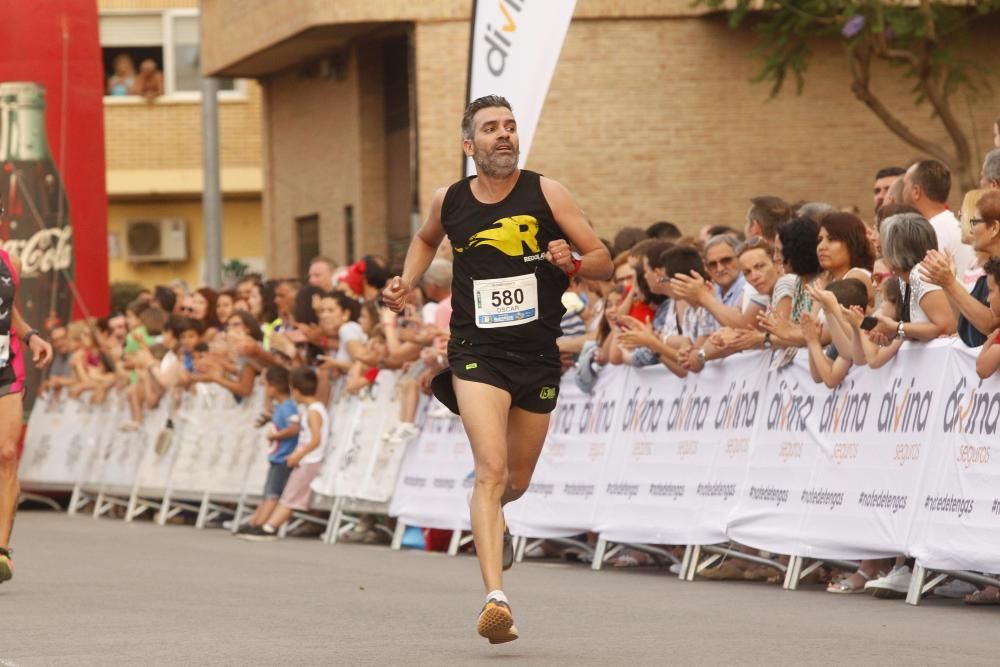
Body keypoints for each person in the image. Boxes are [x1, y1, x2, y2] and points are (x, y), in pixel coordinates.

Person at [382, 94, 612, 644]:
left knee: (515, 480)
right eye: (491, 128)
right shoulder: (451, 200)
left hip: (537, 356)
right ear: (470, 145)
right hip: (476, 351)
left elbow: (602, 259)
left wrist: (574, 263)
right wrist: (408, 279)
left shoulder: (547, 192)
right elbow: (424, 238)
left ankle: (498, 517)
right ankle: (496, 599)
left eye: (509, 126)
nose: (503, 135)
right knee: (489, 469)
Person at [0, 250, 54, 584]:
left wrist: (30, 335)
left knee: (7, 453)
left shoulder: (9, 261)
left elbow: (9, 310)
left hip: (5, 367)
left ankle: (1, 551)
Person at [240, 368, 327, 540]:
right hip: (304, 458)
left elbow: (316, 439)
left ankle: (269, 527)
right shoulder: (311, 409)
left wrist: (299, 454)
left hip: (309, 459)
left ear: (295, 391)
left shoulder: (314, 411)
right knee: (288, 495)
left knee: (290, 497)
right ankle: (265, 525)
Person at [922, 190, 1000, 346]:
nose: (971, 230)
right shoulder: (987, 276)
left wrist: (951, 283)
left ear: (994, 228)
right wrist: (947, 285)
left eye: (975, 222)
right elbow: (965, 326)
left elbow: (990, 324)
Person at [237, 366, 300, 533]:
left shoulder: (288, 407)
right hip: (276, 456)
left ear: (273, 387)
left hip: (284, 457)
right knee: (267, 492)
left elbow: (294, 428)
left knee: (273, 493)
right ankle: (255, 521)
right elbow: (272, 414)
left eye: (266, 386)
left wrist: (276, 436)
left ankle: (260, 524)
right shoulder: (280, 408)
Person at [902, 159, 975, 279]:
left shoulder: (935, 233)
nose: (902, 191)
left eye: (905, 185)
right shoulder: (948, 225)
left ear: (916, 192)